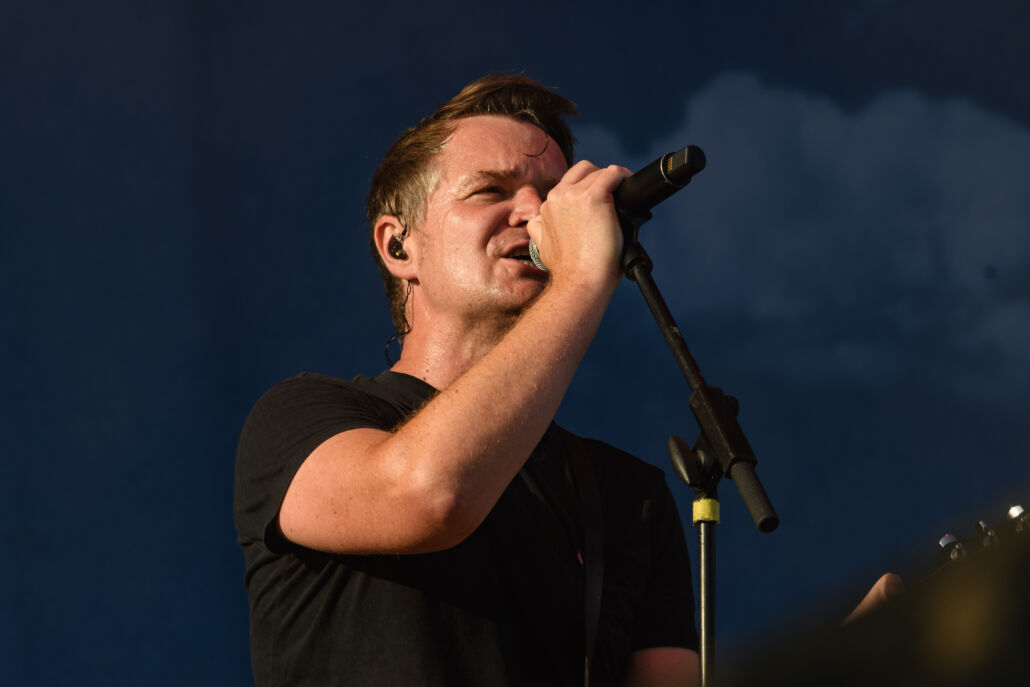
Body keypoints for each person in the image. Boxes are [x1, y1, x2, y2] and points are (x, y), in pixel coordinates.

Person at [234, 73, 898, 686]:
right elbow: (429, 495)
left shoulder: (626, 496)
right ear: (398, 245)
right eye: (491, 190)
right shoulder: (302, 419)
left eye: (552, 197)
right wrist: (581, 278)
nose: (535, 213)